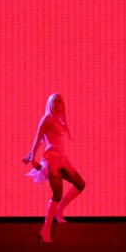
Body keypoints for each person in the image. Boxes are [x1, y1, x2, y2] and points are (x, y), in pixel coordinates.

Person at [22, 93, 86, 243]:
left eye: (59, 101)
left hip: (62, 159)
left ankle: (59, 210)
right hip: (52, 159)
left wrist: (30, 155)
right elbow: (38, 138)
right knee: (57, 194)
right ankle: (45, 231)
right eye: (55, 101)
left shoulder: (60, 120)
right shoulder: (47, 119)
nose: (57, 104)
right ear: (50, 103)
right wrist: (32, 158)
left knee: (80, 184)